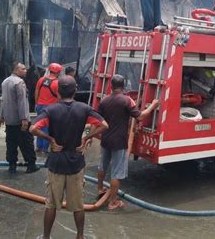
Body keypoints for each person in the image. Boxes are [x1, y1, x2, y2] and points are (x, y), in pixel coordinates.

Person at [30, 76, 108, 239]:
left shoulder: (50, 110)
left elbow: (33, 128)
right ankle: (80, 236)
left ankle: (46, 237)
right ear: (75, 91)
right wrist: (86, 138)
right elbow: (104, 125)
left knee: (51, 204)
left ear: (58, 92)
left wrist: (50, 140)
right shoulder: (84, 109)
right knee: (78, 205)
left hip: (57, 162)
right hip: (76, 163)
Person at [97, 74, 159, 210]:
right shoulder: (127, 101)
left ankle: (100, 188)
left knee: (102, 166)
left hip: (105, 138)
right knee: (117, 173)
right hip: (119, 141)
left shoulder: (104, 101)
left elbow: (98, 120)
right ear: (123, 86)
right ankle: (113, 202)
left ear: (110, 86)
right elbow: (140, 117)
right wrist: (153, 106)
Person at [0, 62, 39, 174]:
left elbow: (3, 100)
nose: (26, 71)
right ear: (16, 70)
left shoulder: (5, 82)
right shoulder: (19, 82)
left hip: (9, 120)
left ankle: (12, 166)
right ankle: (31, 165)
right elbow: (22, 102)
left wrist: (1, 116)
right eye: (23, 69)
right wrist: (24, 118)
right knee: (26, 143)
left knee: (11, 143)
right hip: (19, 120)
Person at [35, 63, 62, 153]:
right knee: (47, 129)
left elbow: (36, 92)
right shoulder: (57, 83)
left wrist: (36, 103)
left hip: (40, 105)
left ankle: (38, 147)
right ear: (58, 72)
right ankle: (44, 149)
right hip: (50, 108)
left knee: (39, 127)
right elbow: (59, 98)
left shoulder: (41, 80)